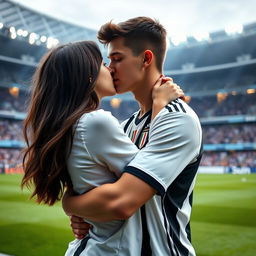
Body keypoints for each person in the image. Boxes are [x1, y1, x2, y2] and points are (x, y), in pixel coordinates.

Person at [21, 40, 183, 255]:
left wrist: (71, 203)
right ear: (89, 76)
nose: (110, 68)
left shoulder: (74, 125)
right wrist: (159, 107)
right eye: (102, 64)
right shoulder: (94, 123)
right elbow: (144, 178)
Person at [63, 17, 203, 256]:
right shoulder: (124, 125)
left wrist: (70, 204)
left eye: (117, 59)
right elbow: (99, 191)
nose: (109, 68)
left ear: (146, 59)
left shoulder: (178, 119)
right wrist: (83, 211)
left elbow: (121, 202)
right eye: (108, 61)